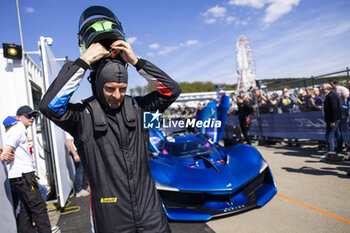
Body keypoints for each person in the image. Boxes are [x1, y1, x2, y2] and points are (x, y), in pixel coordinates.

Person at [39, 6, 181, 232]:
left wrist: (136, 61)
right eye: (110, 88)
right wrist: (83, 61)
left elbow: (171, 91)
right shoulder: (82, 117)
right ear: (97, 85)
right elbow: (49, 106)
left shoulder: (139, 108)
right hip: (112, 219)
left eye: (122, 88)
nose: (117, 95)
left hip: (151, 214)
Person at [0, 107, 51, 233]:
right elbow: (7, 151)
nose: (32, 118)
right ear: (18, 117)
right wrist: (4, 155)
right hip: (24, 176)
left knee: (25, 209)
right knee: (39, 208)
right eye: (28, 116)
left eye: (34, 116)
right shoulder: (18, 129)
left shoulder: (18, 130)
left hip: (20, 176)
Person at [321, 84, 343, 158]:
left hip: (333, 119)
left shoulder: (331, 96)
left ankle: (331, 151)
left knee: (329, 134)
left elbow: (334, 109)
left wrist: (332, 121)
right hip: (332, 118)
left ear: (328, 89)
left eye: (323, 89)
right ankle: (338, 150)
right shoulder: (328, 96)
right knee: (337, 133)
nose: (322, 90)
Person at [66, 132, 89, 197]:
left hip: (80, 150)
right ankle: (78, 190)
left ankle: (85, 186)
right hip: (76, 151)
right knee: (79, 170)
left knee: (84, 169)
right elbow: (69, 143)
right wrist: (75, 154)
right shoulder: (69, 130)